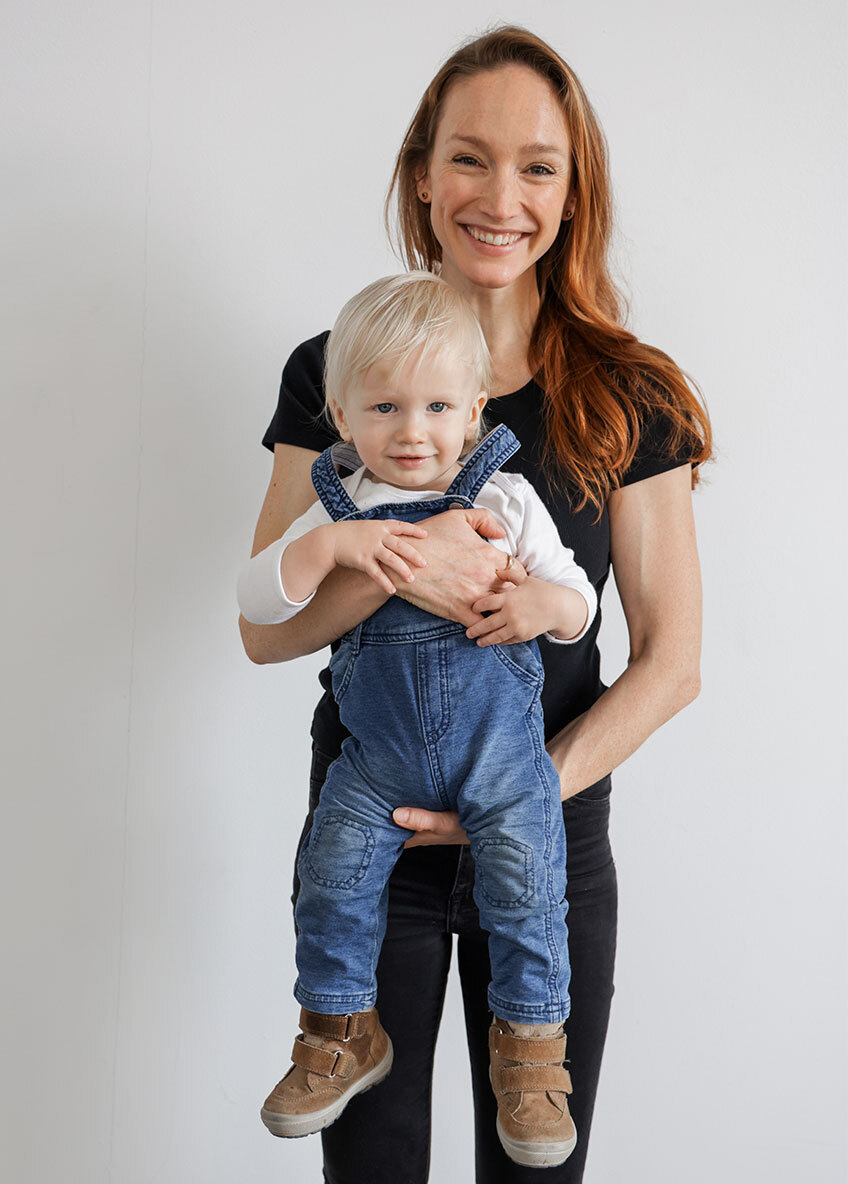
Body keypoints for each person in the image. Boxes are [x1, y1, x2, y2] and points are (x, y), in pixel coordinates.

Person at [238, 24, 711, 1184]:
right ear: (420, 173)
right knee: (372, 1166)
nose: (499, 198)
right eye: (467, 158)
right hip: (372, 830)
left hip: (546, 829)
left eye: (536, 166)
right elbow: (263, 625)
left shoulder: (628, 392)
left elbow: (670, 660)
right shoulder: (335, 368)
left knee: (534, 1163)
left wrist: (519, 797)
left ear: (570, 192)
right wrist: (392, 564)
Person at [238, 271, 599, 1167]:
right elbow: (257, 605)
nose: (411, 431)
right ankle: (338, 1031)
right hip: (377, 767)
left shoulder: (504, 498)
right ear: (342, 414)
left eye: (438, 407)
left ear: (474, 411)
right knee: (330, 873)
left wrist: (542, 607)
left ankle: (531, 1052)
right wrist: (329, 546)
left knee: (525, 882)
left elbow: (580, 599)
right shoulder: (338, 503)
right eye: (385, 407)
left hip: (499, 759)